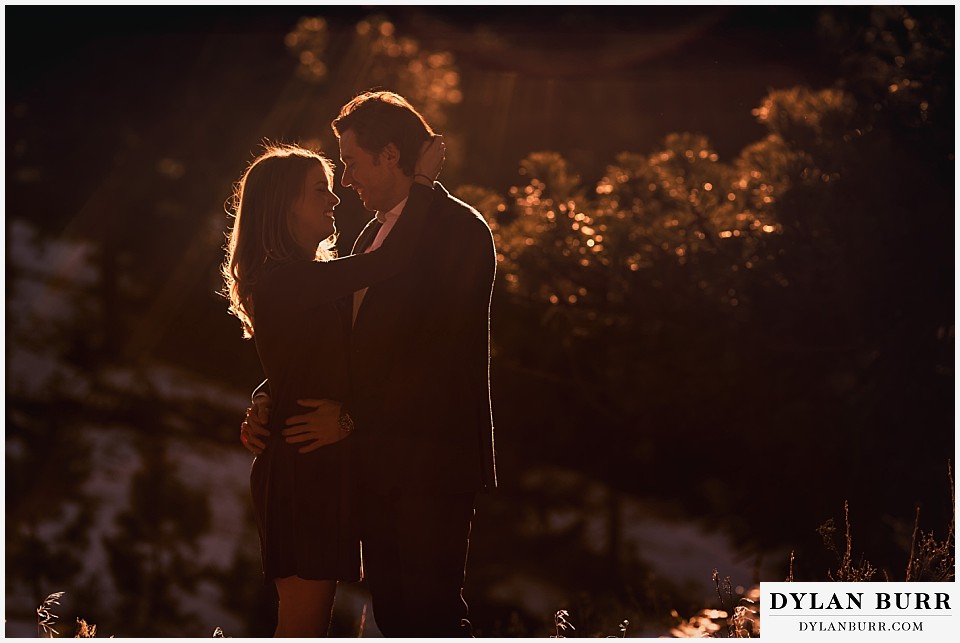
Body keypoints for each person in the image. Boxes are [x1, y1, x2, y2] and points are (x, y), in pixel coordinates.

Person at [240, 91, 497, 637]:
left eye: (352, 162)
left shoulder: (459, 232)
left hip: (430, 465)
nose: (346, 181)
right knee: (396, 618)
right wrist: (271, 394)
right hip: (371, 467)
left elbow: (440, 361)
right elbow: (336, 348)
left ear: (389, 155)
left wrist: (354, 417)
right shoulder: (370, 239)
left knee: (430, 619)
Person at [223, 137, 445, 637]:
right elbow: (391, 262)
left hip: (314, 459)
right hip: (302, 464)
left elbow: (307, 360)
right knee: (303, 625)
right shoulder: (286, 281)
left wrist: (263, 395)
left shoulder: (306, 279)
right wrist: (424, 185)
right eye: (319, 190)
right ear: (284, 208)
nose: (335, 199)